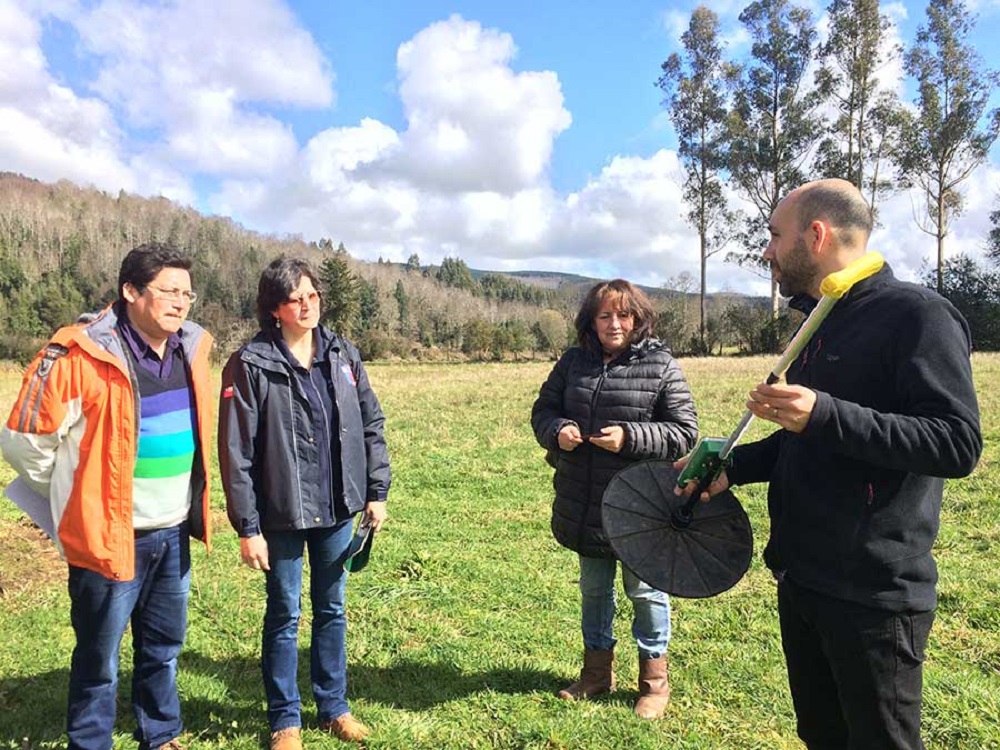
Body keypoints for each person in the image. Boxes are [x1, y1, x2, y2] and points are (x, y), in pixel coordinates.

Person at [677, 178, 982, 749]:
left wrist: (823, 412)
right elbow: (810, 438)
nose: (766, 251)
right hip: (803, 579)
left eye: (773, 236)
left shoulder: (917, 316)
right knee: (823, 737)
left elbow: (956, 443)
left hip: (871, 596)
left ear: (815, 235)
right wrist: (733, 466)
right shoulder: (821, 318)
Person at [0, 243, 214, 750]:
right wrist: (69, 494)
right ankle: (91, 742)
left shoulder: (192, 346)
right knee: (98, 658)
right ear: (131, 291)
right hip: (109, 538)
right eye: (168, 291)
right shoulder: (78, 354)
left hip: (173, 529)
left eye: (187, 293)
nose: (181, 303)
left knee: (163, 646)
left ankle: (160, 733)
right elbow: (24, 439)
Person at [218, 257, 390, 749]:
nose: (307, 305)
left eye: (312, 296)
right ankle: (284, 720)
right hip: (281, 513)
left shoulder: (342, 354)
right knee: (285, 613)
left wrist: (376, 491)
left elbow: (371, 423)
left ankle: (334, 706)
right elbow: (237, 451)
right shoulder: (250, 364)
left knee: (332, 608)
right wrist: (248, 527)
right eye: (296, 299)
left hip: (338, 507)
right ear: (275, 308)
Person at [530, 279, 699, 719]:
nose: (614, 324)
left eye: (623, 315)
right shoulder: (573, 363)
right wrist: (557, 431)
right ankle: (596, 674)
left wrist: (630, 437)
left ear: (638, 319)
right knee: (594, 591)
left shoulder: (661, 365)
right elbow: (542, 411)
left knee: (645, 592)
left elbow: (685, 433)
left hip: (642, 507)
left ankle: (654, 683)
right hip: (585, 502)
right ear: (592, 321)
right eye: (605, 315)